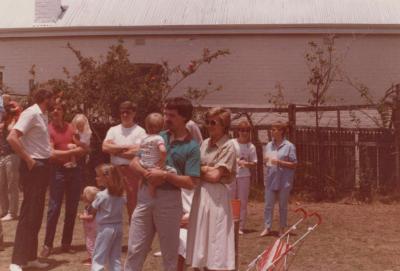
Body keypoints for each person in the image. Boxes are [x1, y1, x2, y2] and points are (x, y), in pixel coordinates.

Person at [125, 97, 200, 271]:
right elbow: (134, 162)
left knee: (169, 254)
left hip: (169, 201)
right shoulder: (156, 137)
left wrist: (165, 175)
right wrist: (147, 174)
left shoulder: (192, 147)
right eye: (165, 114)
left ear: (184, 118)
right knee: (135, 249)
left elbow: (191, 182)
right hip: (145, 197)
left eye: (171, 115)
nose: (166, 118)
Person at [7, 87, 55, 271]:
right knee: (28, 213)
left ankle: (30, 257)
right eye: (53, 99)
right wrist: (28, 159)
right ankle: (16, 261)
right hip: (34, 167)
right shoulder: (31, 113)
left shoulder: (42, 115)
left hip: (43, 166)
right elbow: (12, 137)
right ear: (46, 98)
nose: (55, 103)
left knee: (36, 214)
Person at [186, 107, 237, 271]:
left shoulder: (229, 146)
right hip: (200, 194)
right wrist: (206, 169)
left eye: (213, 122)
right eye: (207, 122)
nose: (209, 125)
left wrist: (201, 168)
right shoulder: (204, 143)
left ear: (224, 125)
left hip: (216, 197)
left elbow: (216, 177)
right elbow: (191, 167)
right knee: (200, 238)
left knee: (215, 238)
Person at [40, 102, 89, 258]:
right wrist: (70, 153)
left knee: (72, 208)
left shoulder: (71, 127)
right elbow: (51, 154)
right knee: (54, 208)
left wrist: (74, 151)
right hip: (57, 172)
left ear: (63, 112)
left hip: (74, 171)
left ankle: (66, 244)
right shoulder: (48, 129)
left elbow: (84, 148)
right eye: (53, 108)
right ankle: (47, 245)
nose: (56, 111)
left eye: (59, 109)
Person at [102, 101, 146, 220]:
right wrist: (126, 147)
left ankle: (134, 236)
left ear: (134, 113)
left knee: (133, 205)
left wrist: (115, 150)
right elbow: (105, 147)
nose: (125, 115)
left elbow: (139, 152)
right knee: (112, 204)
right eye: (122, 112)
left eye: (128, 112)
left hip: (132, 171)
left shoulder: (140, 131)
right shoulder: (113, 130)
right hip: (114, 171)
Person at [260, 121, 297, 237]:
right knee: (268, 205)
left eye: (274, 129)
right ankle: (267, 227)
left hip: (284, 180)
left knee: (283, 206)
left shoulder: (289, 146)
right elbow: (266, 162)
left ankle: (282, 228)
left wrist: (280, 162)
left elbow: (294, 164)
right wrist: (265, 161)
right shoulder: (269, 145)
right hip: (271, 179)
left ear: (281, 131)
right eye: (271, 129)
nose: (272, 131)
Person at [90, 164, 126, 271]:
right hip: (118, 227)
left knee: (98, 256)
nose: (96, 178)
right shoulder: (120, 194)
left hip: (105, 229)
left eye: (98, 176)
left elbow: (92, 209)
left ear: (106, 178)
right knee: (115, 257)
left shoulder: (101, 195)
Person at [229, 119, 257, 234]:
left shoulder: (251, 147)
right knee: (231, 200)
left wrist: (247, 164)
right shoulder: (231, 143)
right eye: (241, 130)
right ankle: (230, 225)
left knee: (242, 201)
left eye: (246, 130)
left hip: (244, 176)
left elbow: (254, 163)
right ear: (238, 131)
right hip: (231, 176)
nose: (244, 133)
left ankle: (240, 227)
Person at [138, 112, 176, 197]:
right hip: (153, 164)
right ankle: (152, 191)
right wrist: (162, 160)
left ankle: (142, 185)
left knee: (144, 175)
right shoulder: (159, 138)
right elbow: (162, 150)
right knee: (173, 171)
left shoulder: (144, 138)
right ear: (162, 127)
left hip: (143, 162)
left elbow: (141, 149)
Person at [0, 103, 21, 221]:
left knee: (12, 185)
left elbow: (12, 129)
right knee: (1, 185)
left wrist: (14, 113)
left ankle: (12, 212)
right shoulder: (3, 123)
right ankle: (4, 210)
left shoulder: (14, 123)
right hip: (3, 156)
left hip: (12, 156)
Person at [79, 186, 100, 265]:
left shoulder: (92, 207)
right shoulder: (89, 206)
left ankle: (93, 260)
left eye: (84, 194)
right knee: (92, 242)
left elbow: (91, 217)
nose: (82, 195)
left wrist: (82, 217)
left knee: (90, 243)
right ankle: (93, 257)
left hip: (91, 228)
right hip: (89, 228)